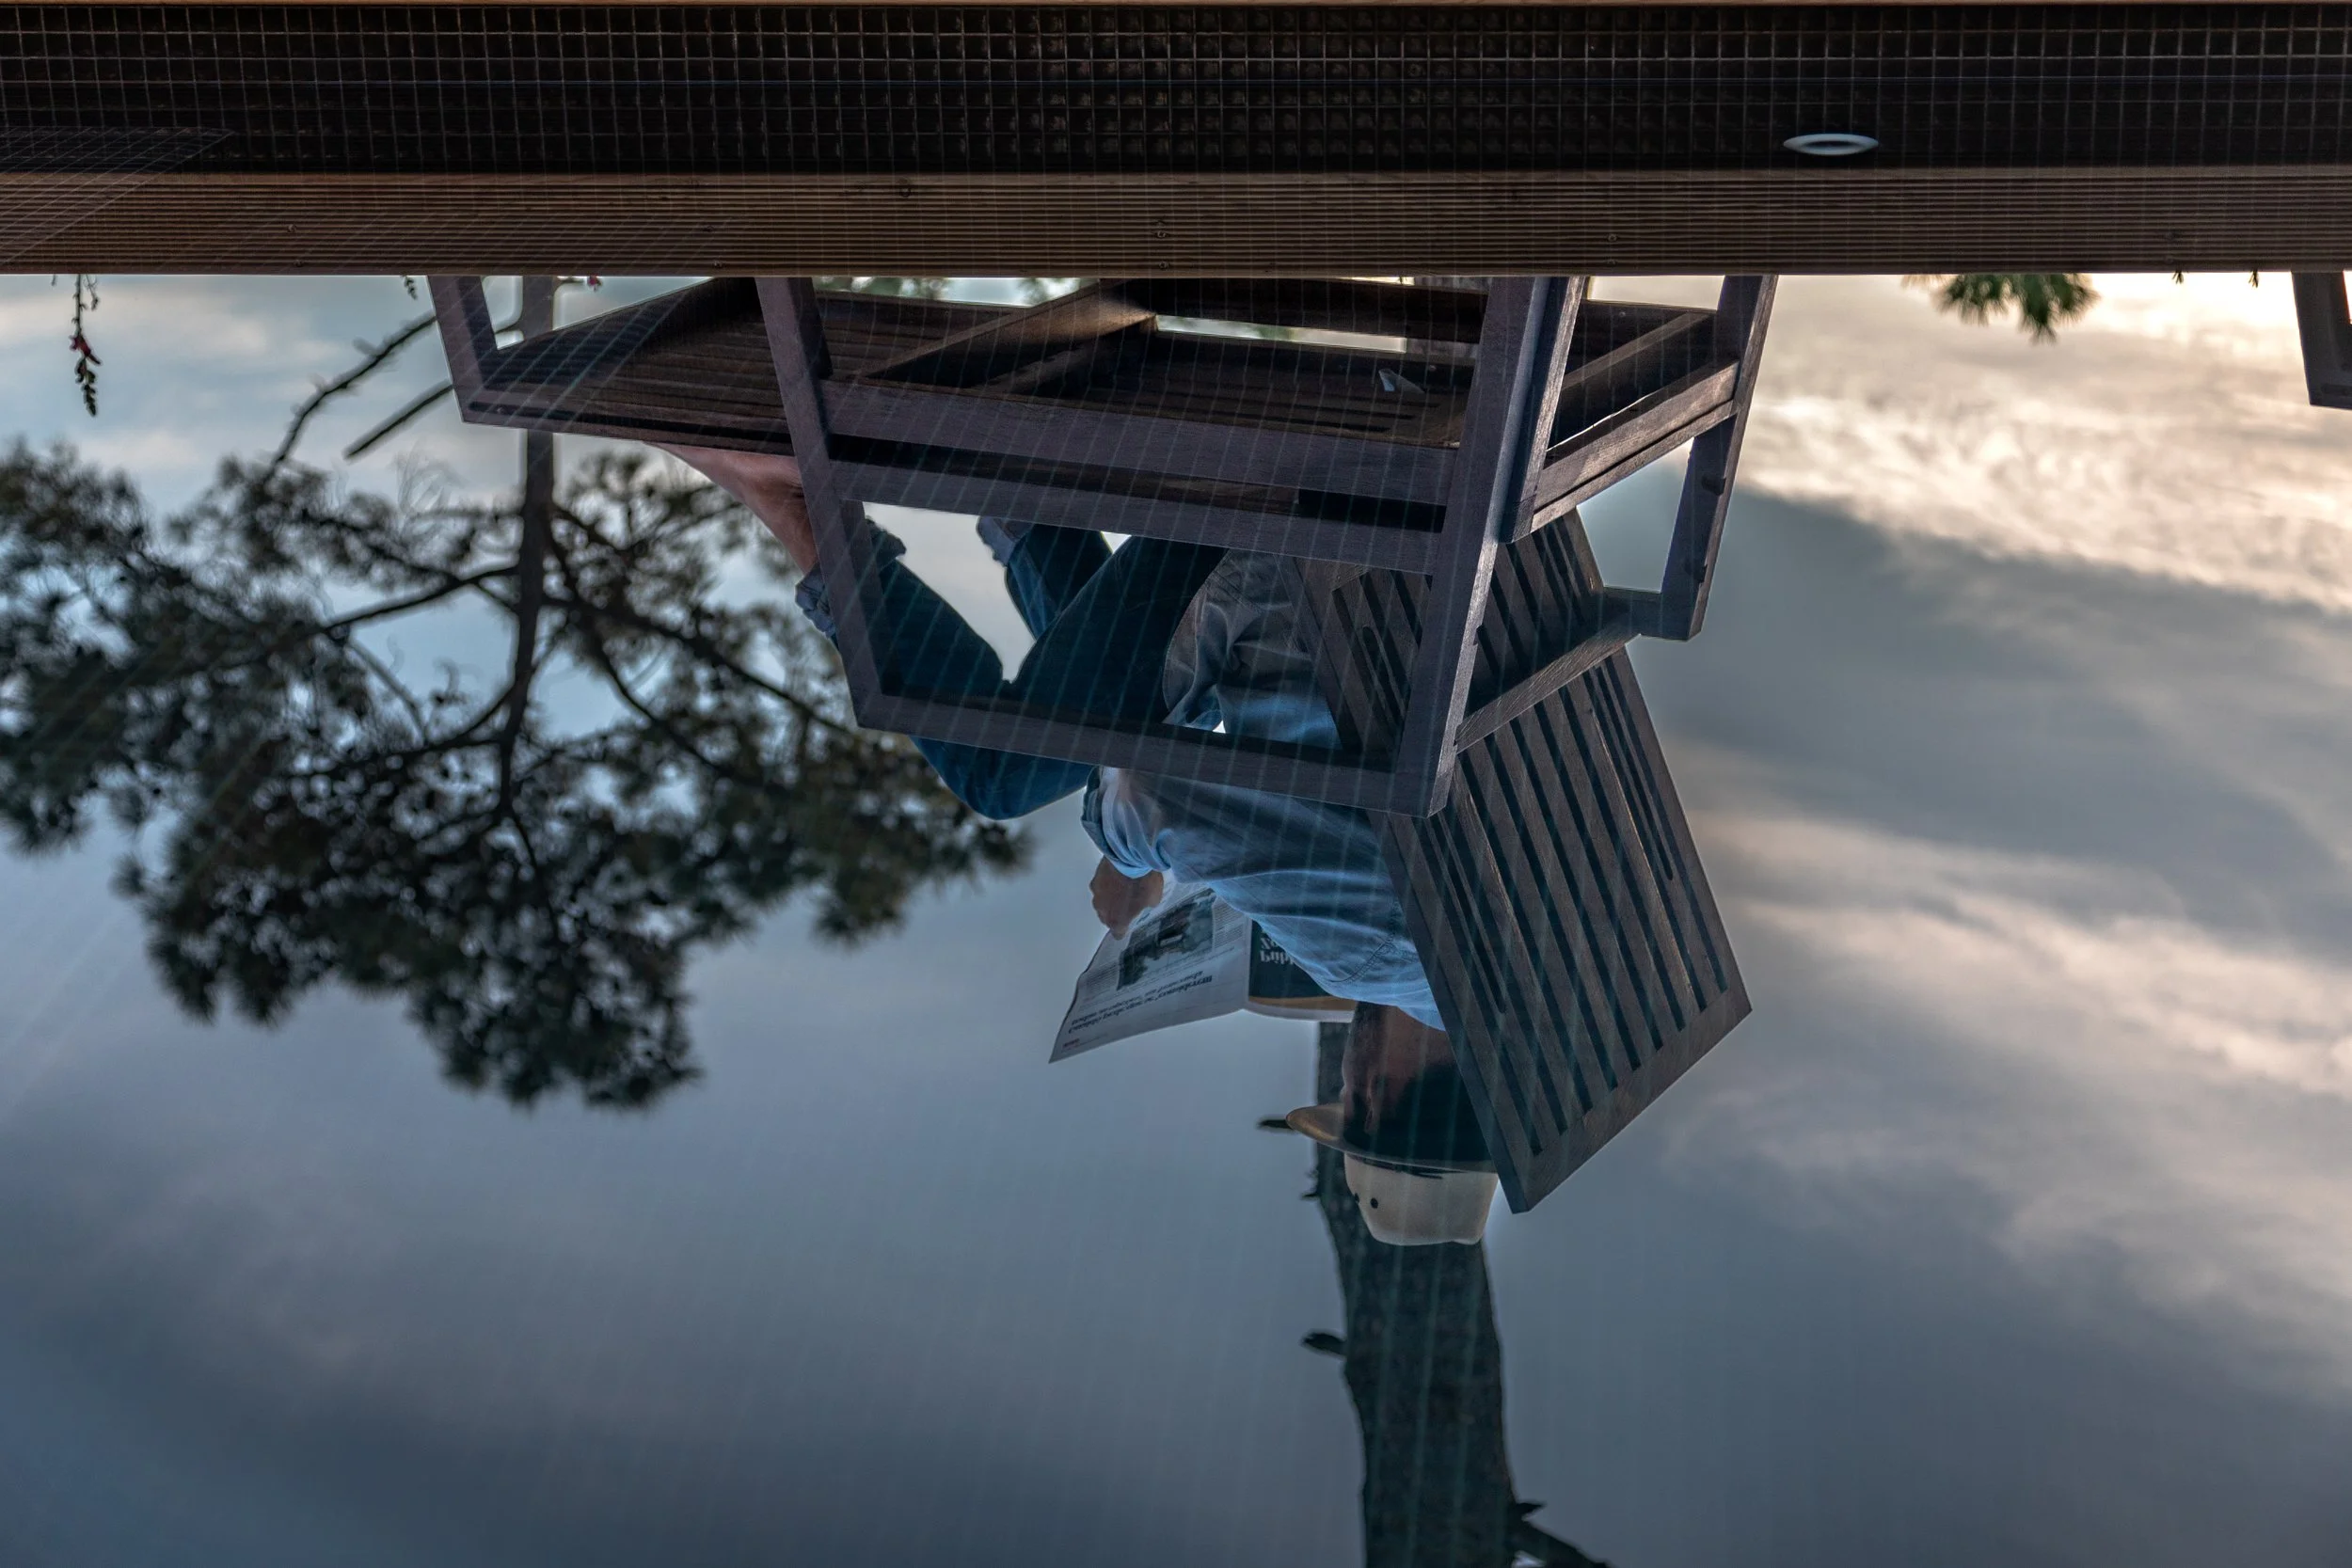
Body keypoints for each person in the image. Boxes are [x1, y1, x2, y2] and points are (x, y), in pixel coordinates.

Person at [660, 444, 1495, 1242]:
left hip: (1432, 545)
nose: (1343, 1073)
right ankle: (797, 505)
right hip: (1295, 544)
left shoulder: (1511, 947)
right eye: (1351, 1093)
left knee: (1122, 726)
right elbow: (1149, 794)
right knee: (1000, 771)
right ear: (1375, 1094)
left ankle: (1017, 503)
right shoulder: (1379, 959)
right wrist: (1127, 866)